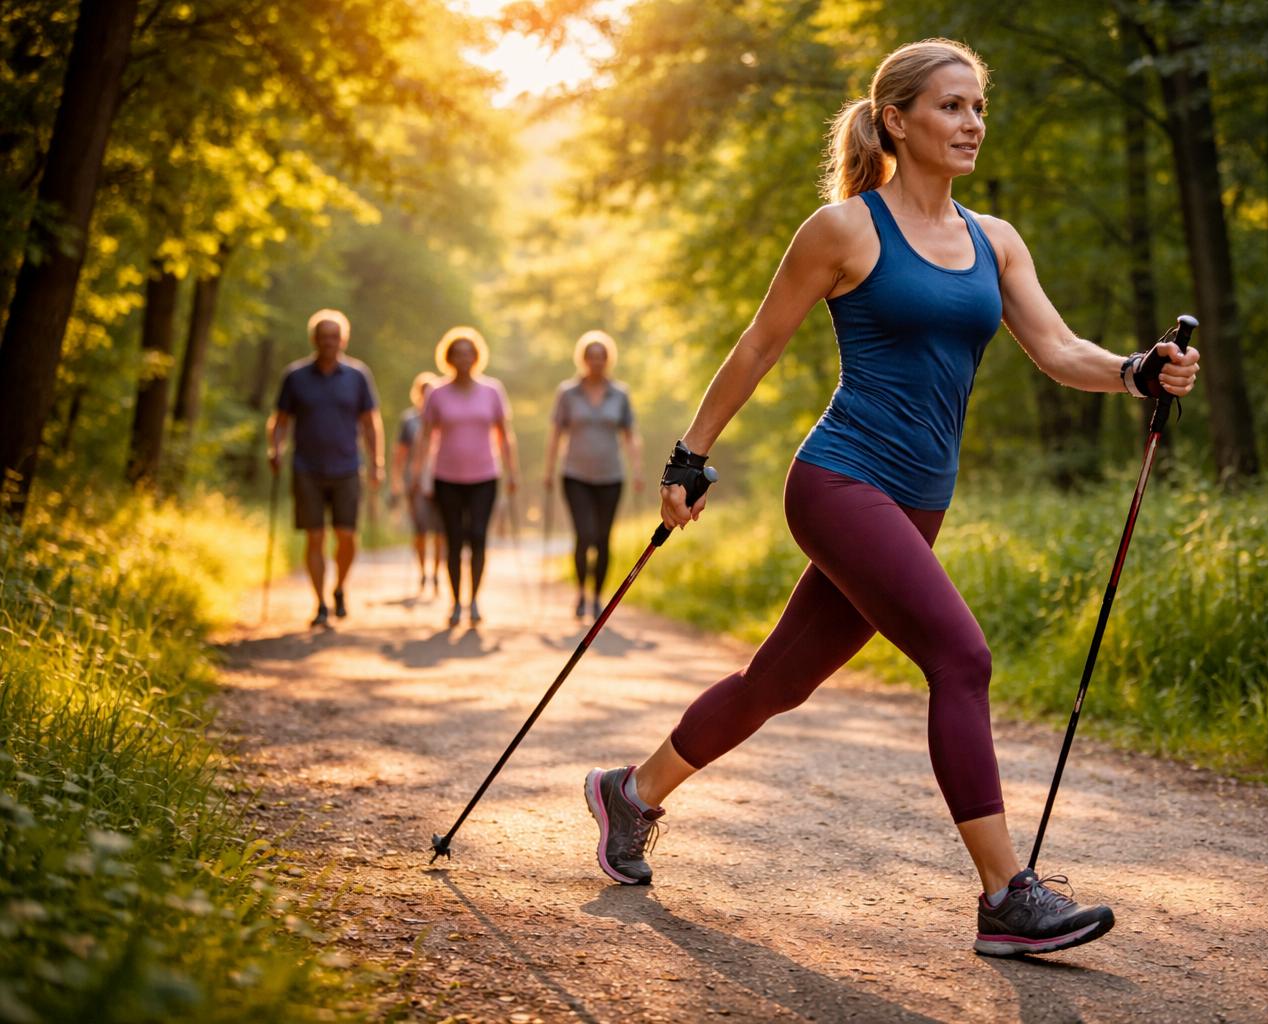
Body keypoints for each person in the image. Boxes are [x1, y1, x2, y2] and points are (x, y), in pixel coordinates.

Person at [583, 39, 1201, 957]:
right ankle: (1005, 896)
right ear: (899, 119)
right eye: (951, 107)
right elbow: (759, 344)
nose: (972, 124)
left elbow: (1061, 349)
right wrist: (689, 457)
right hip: (839, 481)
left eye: (978, 107)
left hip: (919, 501)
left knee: (777, 682)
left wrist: (1136, 370)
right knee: (963, 657)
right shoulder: (845, 231)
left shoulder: (995, 241)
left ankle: (629, 795)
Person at [267, 308, 383, 629]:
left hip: (347, 467)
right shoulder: (295, 376)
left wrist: (376, 462)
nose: (329, 342)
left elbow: (371, 423)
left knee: (346, 535)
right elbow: (280, 421)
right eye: (323, 336)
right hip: (307, 467)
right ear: (314, 339)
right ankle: (320, 603)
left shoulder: (358, 376)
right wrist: (275, 448)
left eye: (334, 336)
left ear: (343, 339)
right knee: (315, 536)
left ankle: (340, 588)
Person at [412, 326, 518, 628]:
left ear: (476, 356)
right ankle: (456, 602)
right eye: (457, 353)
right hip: (447, 477)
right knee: (453, 539)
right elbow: (424, 436)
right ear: (448, 358)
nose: (463, 358)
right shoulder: (436, 393)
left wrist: (513, 471)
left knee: (479, 537)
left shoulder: (492, 390)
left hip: (485, 476)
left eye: (468, 352)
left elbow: (504, 434)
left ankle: (474, 601)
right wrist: (420, 474)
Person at [543, 330, 644, 619]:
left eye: (601, 357)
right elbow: (556, 433)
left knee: (603, 538)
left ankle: (597, 597)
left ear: (607, 360)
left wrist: (637, 469)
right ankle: (580, 593)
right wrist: (549, 470)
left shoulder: (620, 394)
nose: (596, 361)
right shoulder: (567, 392)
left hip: (611, 475)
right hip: (575, 475)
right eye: (591, 356)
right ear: (583, 359)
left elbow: (630, 435)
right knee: (584, 535)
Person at [393, 371, 445, 595]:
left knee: (440, 531)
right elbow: (400, 454)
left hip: (442, 479)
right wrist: (398, 480)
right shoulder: (409, 420)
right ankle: (423, 572)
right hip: (415, 483)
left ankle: (436, 574)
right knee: (421, 530)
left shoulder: (445, 417)